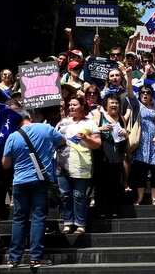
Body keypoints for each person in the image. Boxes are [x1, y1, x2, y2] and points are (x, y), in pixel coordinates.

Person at [2, 109, 65, 268]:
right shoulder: (45, 128)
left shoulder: (12, 136)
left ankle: (14, 259)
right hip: (40, 179)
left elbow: (5, 164)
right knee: (38, 218)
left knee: (19, 219)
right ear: (30, 117)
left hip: (20, 182)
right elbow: (62, 141)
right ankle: (36, 258)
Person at [55, 96, 102, 234]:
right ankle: (68, 222)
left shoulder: (90, 123)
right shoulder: (62, 122)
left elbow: (98, 144)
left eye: (74, 104)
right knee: (64, 195)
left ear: (82, 106)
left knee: (79, 195)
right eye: (69, 105)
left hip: (81, 164)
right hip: (62, 164)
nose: (71, 107)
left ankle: (80, 224)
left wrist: (86, 138)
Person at [93, 93, 128, 217]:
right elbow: (89, 131)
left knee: (116, 183)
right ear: (106, 105)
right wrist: (100, 128)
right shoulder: (99, 116)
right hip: (102, 154)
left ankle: (115, 210)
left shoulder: (122, 118)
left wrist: (126, 133)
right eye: (111, 103)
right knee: (102, 183)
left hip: (117, 154)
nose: (114, 105)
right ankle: (102, 210)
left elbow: (126, 137)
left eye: (116, 103)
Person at [131, 84, 155, 205]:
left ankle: (153, 198)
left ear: (151, 95)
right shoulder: (137, 106)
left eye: (148, 92)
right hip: (142, 142)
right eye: (142, 92)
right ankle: (140, 198)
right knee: (141, 171)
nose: (145, 94)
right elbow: (129, 93)